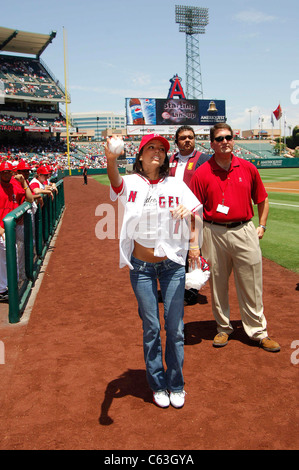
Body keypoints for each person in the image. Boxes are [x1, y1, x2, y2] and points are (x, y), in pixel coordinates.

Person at [105, 133, 202, 408]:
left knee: (175, 328)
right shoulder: (132, 182)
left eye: (161, 148)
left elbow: (194, 214)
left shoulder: (176, 184)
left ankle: (176, 383)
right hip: (141, 266)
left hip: (172, 265)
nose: (157, 151)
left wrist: (193, 243)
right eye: (151, 147)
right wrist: (111, 159)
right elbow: (115, 181)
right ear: (140, 155)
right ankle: (157, 384)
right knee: (151, 327)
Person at [190, 123, 280, 352]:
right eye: (219, 138)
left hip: (244, 230)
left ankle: (258, 331)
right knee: (218, 283)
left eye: (228, 137)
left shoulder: (248, 168)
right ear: (212, 143)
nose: (224, 141)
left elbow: (263, 199)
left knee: (251, 283)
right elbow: (193, 211)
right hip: (213, 232)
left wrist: (262, 226)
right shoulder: (202, 172)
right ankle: (223, 328)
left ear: (233, 140)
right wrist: (195, 244)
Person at [169, 125, 210, 305]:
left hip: (195, 212)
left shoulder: (204, 159)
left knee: (194, 251)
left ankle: (192, 291)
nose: (187, 140)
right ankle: (177, 288)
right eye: (183, 137)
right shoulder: (170, 159)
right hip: (174, 213)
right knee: (176, 250)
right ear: (176, 141)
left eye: (190, 137)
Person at [0, 161, 33, 301]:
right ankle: (3, 289)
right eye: (4, 172)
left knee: (14, 252)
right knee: (7, 253)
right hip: (2, 228)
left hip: (11, 227)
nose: (7, 174)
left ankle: (11, 285)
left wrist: (24, 182)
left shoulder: (14, 185)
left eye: (9, 172)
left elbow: (30, 199)